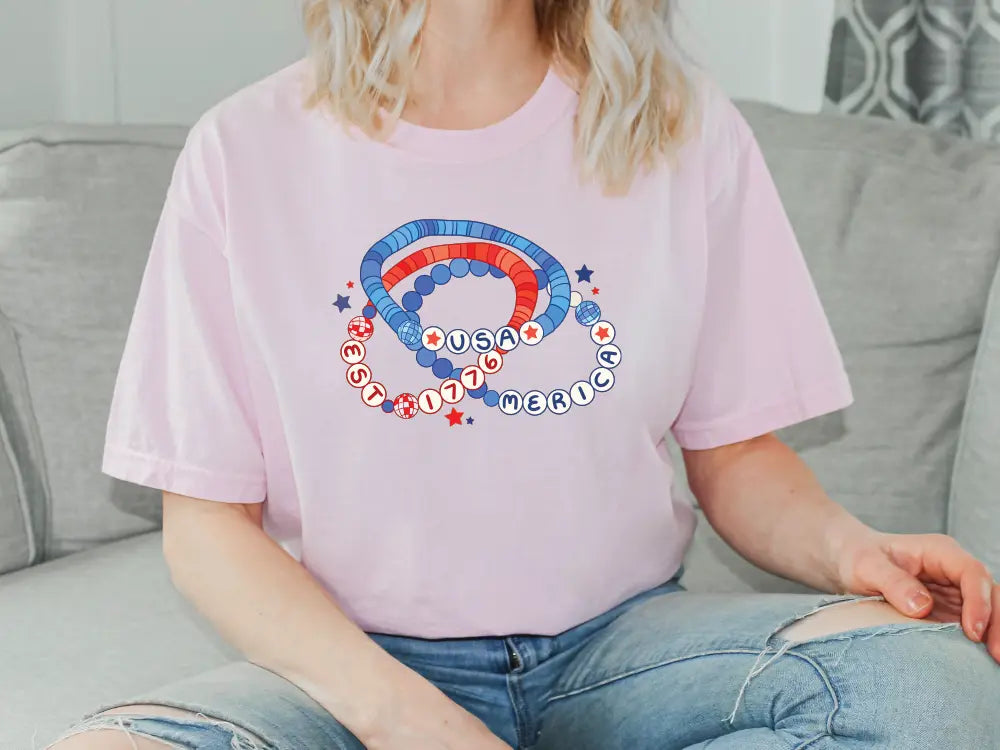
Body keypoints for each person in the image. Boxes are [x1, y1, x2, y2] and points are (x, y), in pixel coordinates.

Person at [49, 1, 999, 749]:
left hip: (621, 653)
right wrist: (414, 724)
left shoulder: (681, 130)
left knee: (929, 686)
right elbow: (206, 529)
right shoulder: (243, 151)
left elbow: (736, 451)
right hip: (355, 665)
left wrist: (852, 551)